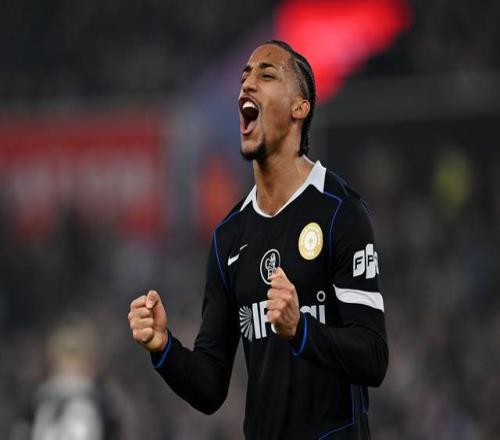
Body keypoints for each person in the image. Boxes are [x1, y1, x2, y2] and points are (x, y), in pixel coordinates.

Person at [128, 40, 388, 439]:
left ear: (300, 108)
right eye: (244, 76)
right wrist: (164, 348)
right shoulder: (229, 237)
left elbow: (373, 357)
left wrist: (301, 330)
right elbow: (210, 386)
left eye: (266, 75)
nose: (247, 84)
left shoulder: (340, 212)